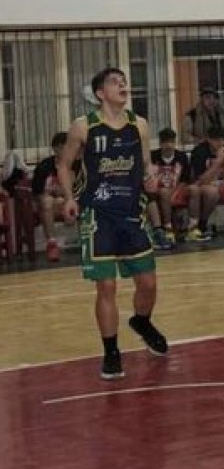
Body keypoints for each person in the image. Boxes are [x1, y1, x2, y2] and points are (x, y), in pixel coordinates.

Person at [58, 68, 167, 380]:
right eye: (114, 81)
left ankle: (142, 322)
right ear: (100, 93)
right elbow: (64, 165)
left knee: (148, 282)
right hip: (98, 214)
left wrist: (151, 177)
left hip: (132, 211)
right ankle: (111, 352)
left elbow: (147, 165)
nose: (122, 84)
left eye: (124, 80)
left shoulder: (139, 125)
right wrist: (68, 197)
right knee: (106, 286)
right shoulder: (84, 127)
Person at [148, 127, 206, 248]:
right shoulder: (152, 156)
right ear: (160, 143)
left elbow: (186, 180)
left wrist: (176, 191)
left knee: (194, 189)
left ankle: (192, 228)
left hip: (177, 189)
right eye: (165, 142)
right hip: (159, 190)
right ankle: (168, 228)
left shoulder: (182, 156)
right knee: (164, 192)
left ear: (175, 142)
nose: (168, 145)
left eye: (171, 142)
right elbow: (150, 178)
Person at [30, 132, 70, 262]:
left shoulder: (76, 164)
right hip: (50, 204)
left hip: (70, 201)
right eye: (66, 147)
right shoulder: (44, 166)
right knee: (47, 202)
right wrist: (54, 194)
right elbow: (37, 192)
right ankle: (52, 243)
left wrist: (65, 195)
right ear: (56, 148)